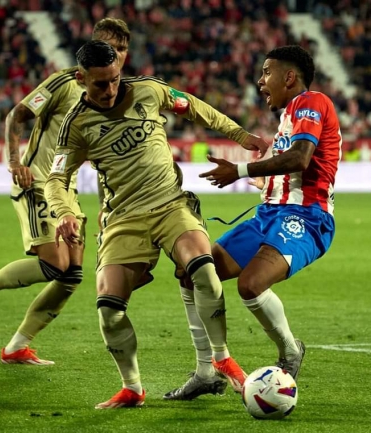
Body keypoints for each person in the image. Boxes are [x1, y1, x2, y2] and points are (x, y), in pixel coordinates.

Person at [45, 40, 269, 409]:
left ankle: (221, 356)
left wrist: (241, 136)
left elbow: (194, 107)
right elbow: (56, 178)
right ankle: (132, 387)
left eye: (115, 79)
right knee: (109, 310)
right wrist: (63, 212)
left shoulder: (149, 91)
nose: (110, 90)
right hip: (125, 219)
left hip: (170, 205)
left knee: (203, 269)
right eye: (99, 84)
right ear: (80, 78)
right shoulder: (76, 125)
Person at [0, 18, 133, 365]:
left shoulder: (116, 95)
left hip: (67, 191)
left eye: (121, 49)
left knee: (72, 275)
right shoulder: (65, 83)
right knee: (54, 264)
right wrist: (16, 162)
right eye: (109, 46)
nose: (115, 55)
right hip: (36, 181)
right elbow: (16, 116)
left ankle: (17, 346)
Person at [166, 45, 340, 399]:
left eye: (267, 72)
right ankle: (206, 371)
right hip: (269, 214)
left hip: (307, 218)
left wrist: (240, 170)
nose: (261, 81)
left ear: (289, 77)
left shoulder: (312, 102)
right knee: (192, 272)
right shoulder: (289, 116)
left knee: (251, 284)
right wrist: (266, 182)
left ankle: (291, 351)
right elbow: (291, 163)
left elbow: (301, 158)